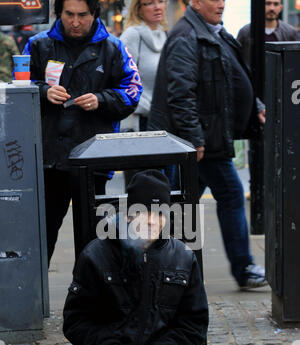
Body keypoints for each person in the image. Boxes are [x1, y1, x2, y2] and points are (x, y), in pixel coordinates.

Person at [47, 169, 211, 345]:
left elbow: (193, 324)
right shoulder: (97, 254)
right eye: (144, 212)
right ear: (129, 213)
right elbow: (77, 321)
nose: (151, 221)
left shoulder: (182, 257)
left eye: (159, 214)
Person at [148, 0, 268, 291]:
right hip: (202, 139)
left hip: (207, 136)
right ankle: (243, 267)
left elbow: (231, 77)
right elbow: (181, 93)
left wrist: (255, 107)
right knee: (231, 193)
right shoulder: (187, 36)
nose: (221, 3)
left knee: (182, 204)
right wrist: (195, 138)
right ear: (195, 2)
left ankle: (165, 266)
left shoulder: (210, 31)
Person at [23, 0, 143, 265]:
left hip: (93, 159)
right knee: (40, 236)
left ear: (94, 14)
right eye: (69, 15)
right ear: (58, 13)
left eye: (82, 15)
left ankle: (90, 300)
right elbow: (19, 85)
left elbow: (133, 91)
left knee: (94, 238)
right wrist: (43, 92)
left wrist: (101, 100)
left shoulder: (113, 47)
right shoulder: (38, 45)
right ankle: (31, 298)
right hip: (48, 158)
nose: (75, 22)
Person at [120, 0, 167, 133]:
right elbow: (121, 80)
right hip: (139, 121)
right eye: (150, 3)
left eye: (161, 1)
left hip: (162, 118)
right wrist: (146, 107)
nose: (157, 7)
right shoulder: (132, 35)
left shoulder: (164, 36)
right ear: (138, 9)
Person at [237, 0, 298, 67]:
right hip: (252, 76)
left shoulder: (290, 32)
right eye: (268, 3)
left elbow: (295, 62)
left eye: (276, 4)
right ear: (260, 7)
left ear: (280, 7)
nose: (272, 8)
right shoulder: (245, 32)